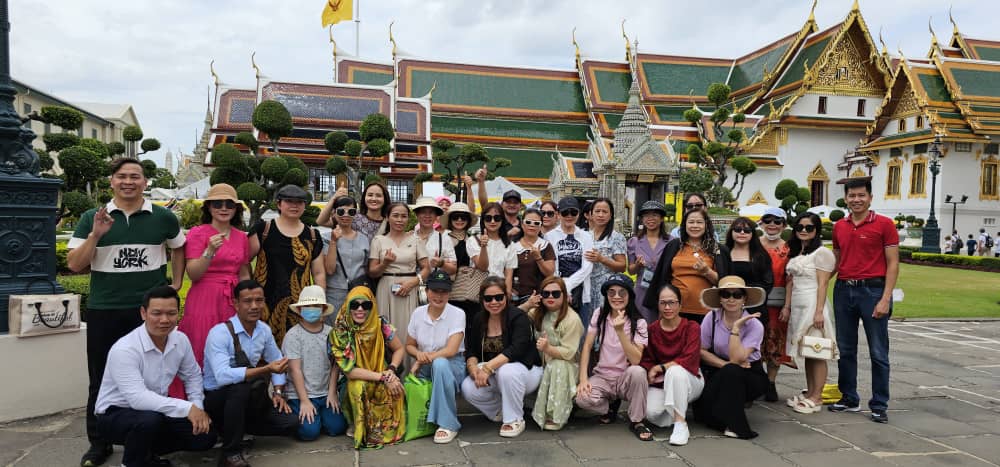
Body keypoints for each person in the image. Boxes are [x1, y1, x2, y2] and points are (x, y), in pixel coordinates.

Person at [67, 157, 187, 467]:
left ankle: (148, 440)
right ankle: (99, 442)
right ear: (112, 181)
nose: (128, 181)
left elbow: (179, 247)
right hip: (106, 308)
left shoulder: (163, 218)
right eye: (122, 176)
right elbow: (75, 264)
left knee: (153, 377)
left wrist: (175, 282)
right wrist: (96, 234)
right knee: (100, 377)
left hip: (149, 313)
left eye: (135, 176)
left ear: (145, 182)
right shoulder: (92, 217)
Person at [94, 286, 216, 467]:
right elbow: (137, 399)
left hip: (156, 409)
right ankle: (132, 462)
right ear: (143, 313)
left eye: (171, 313)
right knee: (149, 421)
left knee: (205, 437)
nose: (164, 320)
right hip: (115, 414)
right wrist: (187, 408)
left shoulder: (180, 340)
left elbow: (193, 376)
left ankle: (147, 453)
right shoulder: (125, 349)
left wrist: (197, 407)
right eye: (156, 313)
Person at [203, 280, 298, 467]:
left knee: (291, 422)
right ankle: (230, 453)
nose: (254, 306)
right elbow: (222, 376)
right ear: (236, 304)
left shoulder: (263, 330)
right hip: (218, 398)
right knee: (239, 389)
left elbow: (278, 361)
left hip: (247, 398)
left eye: (259, 300)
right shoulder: (219, 333)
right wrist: (266, 369)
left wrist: (278, 391)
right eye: (247, 301)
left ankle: (237, 430)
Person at [831, 178, 899, 424]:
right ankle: (849, 397)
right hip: (843, 289)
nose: (856, 200)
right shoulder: (840, 226)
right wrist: (815, 281)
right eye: (852, 196)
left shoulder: (884, 224)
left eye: (861, 195)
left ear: (870, 197)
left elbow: (893, 263)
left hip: (873, 291)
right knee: (845, 349)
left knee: (879, 352)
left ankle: (879, 404)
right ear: (846, 198)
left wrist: (885, 298)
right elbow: (836, 260)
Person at [177, 183, 251, 389]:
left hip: (232, 299)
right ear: (209, 207)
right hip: (204, 297)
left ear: (236, 209)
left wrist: (248, 301)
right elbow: (193, 273)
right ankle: (198, 395)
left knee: (232, 344)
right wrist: (209, 251)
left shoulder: (240, 237)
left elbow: (243, 271)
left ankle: (228, 396)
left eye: (229, 204)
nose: (223, 208)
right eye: (217, 203)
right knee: (202, 341)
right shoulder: (197, 234)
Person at [462, 277, 543, 438]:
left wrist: (487, 367)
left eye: (499, 297)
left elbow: (516, 349)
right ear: (482, 299)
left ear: (506, 297)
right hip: (495, 373)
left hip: (526, 371)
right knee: (468, 386)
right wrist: (473, 370)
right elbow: (471, 351)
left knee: (506, 370)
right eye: (488, 298)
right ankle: (499, 410)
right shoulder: (479, 319)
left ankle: (514, 419)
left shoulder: (518, 316)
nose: (494, 302)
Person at [576, 274, 651, 441]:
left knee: (638, 372)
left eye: (622, 293)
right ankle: (609, 406)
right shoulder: (600, 313)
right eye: (611, 292)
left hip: (625, 378)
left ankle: (637, 421)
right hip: (602, 376)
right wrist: (583, 379)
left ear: (630, 296)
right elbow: (587, 346)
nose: (616, 297)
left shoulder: (639, 323)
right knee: (582, 398)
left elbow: (636, 359)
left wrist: (620, 331)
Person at [330, 286, 407, 449]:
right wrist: (383, 378)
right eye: (354, 305)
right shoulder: (341, 332)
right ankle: (359, 426)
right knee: (357, 387)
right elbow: (349, 371)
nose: (360, 309)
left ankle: (384, 428)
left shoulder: (380, 324)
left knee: (397, 388)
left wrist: (391, 370)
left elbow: (400, 349)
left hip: (383, 373)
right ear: (347, 306)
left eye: (366, 305)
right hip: (357, 381)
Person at [249, 184, 325, 346]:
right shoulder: (264, 229)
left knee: (298, 349)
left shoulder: (312, 235)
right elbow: (243, 261)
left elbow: (318, 273)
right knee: (262, 350)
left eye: (299, 202)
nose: (294, 205)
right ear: (278, 204)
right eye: (289, 201)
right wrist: (248, 290)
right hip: (265, 303)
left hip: (299, 305)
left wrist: (320, 302)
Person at [694, 276, 767, 440]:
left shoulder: (754, 325)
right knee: (702, 412)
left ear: (744, 299)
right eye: (726, 294)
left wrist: (735, 329)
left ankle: (737, 427)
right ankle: (724, 417)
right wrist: (725, 365)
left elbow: (737, 358)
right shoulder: (711, 318)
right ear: (720, 299)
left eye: (737, 295)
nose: (731, 299)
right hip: (719, 370)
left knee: (733, 372)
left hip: (750, 374)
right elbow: (701, 350)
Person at [783, 213, 839, 414]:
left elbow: (823, 283)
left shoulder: (822, 253)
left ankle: (817, 396)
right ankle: (810, 393)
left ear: (816, 230)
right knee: (807, 352)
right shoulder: (798, 252)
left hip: (813, 303)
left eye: (809, 227)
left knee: (817, 350)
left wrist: (818, 311)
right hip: (798, 303)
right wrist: (787, 306)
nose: (804, 231)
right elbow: (790, 283)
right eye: (800, 227)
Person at [406, 270, 467, 444]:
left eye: (444, 292)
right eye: (435, 291)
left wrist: (421, 359)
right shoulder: (418, 313)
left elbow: (451, 350)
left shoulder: (458, 313)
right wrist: (418, 354)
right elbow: (409, 345)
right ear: (426, 291)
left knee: (440, 363)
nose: (439, 296)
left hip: (452, 365)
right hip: (425, 363)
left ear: (449, 293)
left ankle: (448, 424)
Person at [639, 284, 702, 446]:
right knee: (651, 413)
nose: (667, 307)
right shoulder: (652, 330)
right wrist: (651, 372)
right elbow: (647, 359)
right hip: (662, 382)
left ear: (680, 305)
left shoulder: (691, 327)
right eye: (663, 303)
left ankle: (681, 425)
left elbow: (689, 358)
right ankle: (678, 406)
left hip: (690, 378)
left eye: (672, 302)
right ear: (658, 305)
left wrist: (661, 368)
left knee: (675, 372)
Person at [282, 285, 347, 441]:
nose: (311, 309)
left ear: (323, 309)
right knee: (309, 433)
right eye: (307, 306)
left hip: (325, 393)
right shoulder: (293, 335)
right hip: (300, 395)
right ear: (300, 310)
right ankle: (303, 415)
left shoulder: (331, 333)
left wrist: (332, 392)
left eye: (316, 306)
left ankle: (321, 416)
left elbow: (334, 365)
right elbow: (295, 370)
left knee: (338, 428)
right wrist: (304, 401)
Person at [646, 209, 731, 323]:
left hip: (705, 311)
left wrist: (707, 271)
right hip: (674, 309)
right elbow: (662, 276)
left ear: (706, 225)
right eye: (691, 222)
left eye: (699, 222)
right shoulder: (674, 245)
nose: (695, 226)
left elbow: (724, 283)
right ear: (684, 224)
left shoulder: (716, 249)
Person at [368, 202, 430, 347]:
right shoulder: (378, 241)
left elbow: (426, 268)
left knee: (409, 328)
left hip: (410, 288)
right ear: (387, 217)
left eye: (404, 216)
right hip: (386, 288)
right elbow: (372, 271)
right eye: (395, 215)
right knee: (386, 328)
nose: (399, 220)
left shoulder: (415, 240)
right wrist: (385, 263)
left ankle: (410, 367)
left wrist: (414, 282)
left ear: (409, 219)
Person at [529, 277, 584, 431]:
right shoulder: (538, 313)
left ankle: (556, 414)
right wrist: (528, 304)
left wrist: (548, 349)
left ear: (564, 295)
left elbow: (568, 352)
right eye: (546, 294)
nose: (550, 297)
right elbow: (514, 317)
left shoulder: (572, 319)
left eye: (555, 293)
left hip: (567, 364)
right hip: (542, 362)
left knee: (557, 365)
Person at [757, 207, 795, 402]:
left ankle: (771, 382)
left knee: (775, 342)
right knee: (755, 342)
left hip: (777, 303)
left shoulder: (788, 249)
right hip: (755, 301)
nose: (772, 225)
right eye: (768, 220)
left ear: (784, 225)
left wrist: (787, 306)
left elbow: (790, 280)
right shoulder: (753, 245)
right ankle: (756, 382)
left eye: (777, 221)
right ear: (761, 223)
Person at [547, 197, 595, 331]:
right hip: (557, 291)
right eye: (565, 213)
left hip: (581, 291)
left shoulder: (586, 236)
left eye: (573, 212)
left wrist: (567, 286)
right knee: (558, 331)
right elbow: (552, 265)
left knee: (580, 333)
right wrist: (562, 288)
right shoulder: (550, 237)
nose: (569, 216)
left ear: (578, 214)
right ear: (558, 214)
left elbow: (587, 267)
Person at [322, 196, 370, 317]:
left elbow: (366, 267)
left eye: (351, 212)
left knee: (357, 329)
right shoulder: (326, 238)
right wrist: (333, 241)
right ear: (334, 213)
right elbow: (329, 269)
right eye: (341, 211)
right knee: (335, 329)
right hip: (335, 293)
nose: (346, 215)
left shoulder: (364, 239)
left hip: (358, 293)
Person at [585, 198, 628, 324]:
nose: (600, 215)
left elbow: (622, 266)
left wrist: (602, 259)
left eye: (605, 212)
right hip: (586, 287)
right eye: (597, 211)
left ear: (611, 216)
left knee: (602, 322)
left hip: (605, 288)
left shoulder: (616, 237)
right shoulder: (584, 235)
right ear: (590, 214)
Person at [628, 201, 672, 323]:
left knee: (664, 324)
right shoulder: (634, 241)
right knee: (642, 325)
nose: (650, 219)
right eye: (646, 215)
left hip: (664, 290)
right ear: (642, 219)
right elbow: (631, 271)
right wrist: (637, 265)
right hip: (642, 290)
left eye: (655, 215)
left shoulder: (671, 242)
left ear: (662, 218)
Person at [724, 217, 773, 321]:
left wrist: (743, 292)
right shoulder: (723, 253)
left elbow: (767, 283)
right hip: (728, 305)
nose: (742, 232)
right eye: (737, 229)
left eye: (747, 230)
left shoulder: (761, 256)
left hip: (754, 307)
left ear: (752, 234)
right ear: (731, 232)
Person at [444, 202, 483, 320]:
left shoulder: (475, 240)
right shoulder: (443, 239)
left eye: (463, 217)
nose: (459, 220)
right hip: (449, 289)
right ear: (450, 220)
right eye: (455, 217)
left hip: (471, 290)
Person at [509, 208, 556, 306]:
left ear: (540, 226)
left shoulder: (545, 246)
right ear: (522, 224)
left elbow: (550, 273)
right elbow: (506, 272)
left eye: (536, 223)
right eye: (528, 222)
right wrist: (508, 289)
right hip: (515, 298)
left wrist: (538, 258)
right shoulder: (512, 245)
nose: (532, 225)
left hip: (538, 299)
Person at [412, 196, 458, 276]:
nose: (427, 216)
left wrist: (442, 264)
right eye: (423, 212)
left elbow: (453, 269)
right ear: (417, 214)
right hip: (409, 285)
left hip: (434, 286)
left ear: (436, 215)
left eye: (431, 212)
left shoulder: (444, 238)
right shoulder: (409, 237)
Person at [477, 202, 517, 291]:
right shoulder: (473, 240)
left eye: (497, 218)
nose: (492, 221)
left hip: (500, 290)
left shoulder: (510, 245)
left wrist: (507, 293)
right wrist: (483, 246)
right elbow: (482, 267)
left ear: (502, 220)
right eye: (488, 218)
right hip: (478, 289)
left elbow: (509, 275)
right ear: (483, 220)